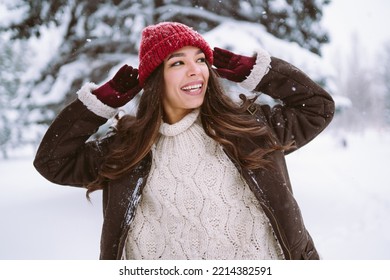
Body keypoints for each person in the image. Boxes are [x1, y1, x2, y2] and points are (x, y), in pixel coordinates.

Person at [33, 22, 334, 260]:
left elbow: (317, 107)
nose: (195, 70)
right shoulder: (126, 149)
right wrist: (100, 102)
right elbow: (52, 161)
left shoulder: (249, 129)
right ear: (155, 79)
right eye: (177, 63)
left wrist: (260, 72)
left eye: (201, 59)